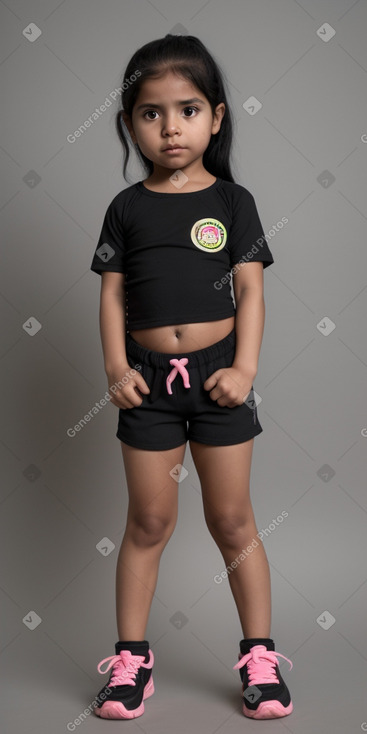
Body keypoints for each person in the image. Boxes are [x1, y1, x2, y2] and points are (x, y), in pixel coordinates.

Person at [89, 33, 293, 721]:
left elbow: (252, 292)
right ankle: (131, 662)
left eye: (186, 109)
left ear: (216, 116)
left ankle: (259, 660)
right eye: (150, 113)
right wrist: (116, 367)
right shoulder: (126, 208)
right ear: (130, 124)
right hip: (146, 382)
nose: (170, 126)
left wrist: (243, 367)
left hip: (217, 381)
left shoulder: (234, 203)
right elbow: (113, 295)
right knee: (148, 519)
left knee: (231, 519)